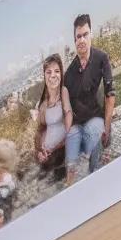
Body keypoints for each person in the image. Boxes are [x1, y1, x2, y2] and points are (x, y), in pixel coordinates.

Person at [63, 14, 115, 183]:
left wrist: (107, 126)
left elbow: (110, 94)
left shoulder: (102, 58)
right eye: (78, 36)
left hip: (96, 120)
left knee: (94, 134)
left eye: (85, 34)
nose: (82, 40)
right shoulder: (69, 74)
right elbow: (67, 110)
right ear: (75, 40)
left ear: (91, 34)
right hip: (78, 126)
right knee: (71, 159)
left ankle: (95, 177)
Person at [34, 53, 72, 183]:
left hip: (62, 152)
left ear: (61, 73)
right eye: (48, 72)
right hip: (48, 156)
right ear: (44, 76)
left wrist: (58, 146)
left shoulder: (64, 93)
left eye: (56, 71)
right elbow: (39, 130)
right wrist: (39, 151)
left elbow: (69, 118)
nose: (53, 75)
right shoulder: (43, 104)